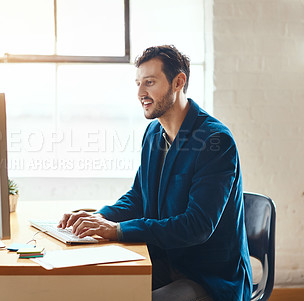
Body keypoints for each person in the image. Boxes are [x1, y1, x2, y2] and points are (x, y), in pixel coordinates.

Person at [58, 45, 253, 301]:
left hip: (209, 277)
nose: (140, 93)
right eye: (138, 83)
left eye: (149, 82)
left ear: (178, 82)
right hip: (163, 261)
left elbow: (197, 226)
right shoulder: (154, 134)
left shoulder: (215, 141)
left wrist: (117, 230)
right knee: (95, 289)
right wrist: (97, 219)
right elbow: (139, 196)